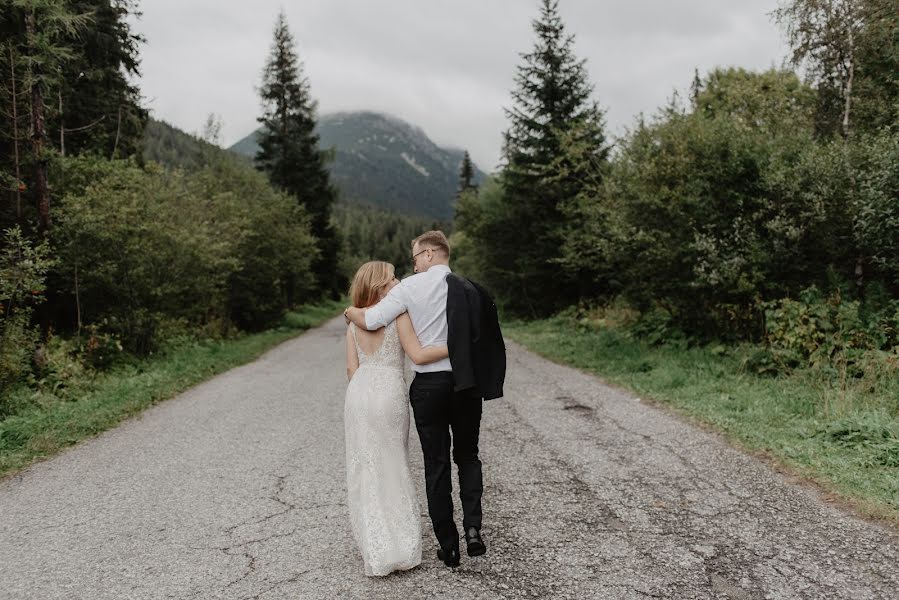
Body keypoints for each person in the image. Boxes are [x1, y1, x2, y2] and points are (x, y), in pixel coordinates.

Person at [344, 231, 503, 569]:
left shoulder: (407, 290)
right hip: (464, 383)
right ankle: (473, 527)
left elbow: (371, 319)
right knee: (468, 455)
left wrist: (349, 311)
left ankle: (449, 547)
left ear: (429, 254)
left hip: (429, 386)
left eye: (415, 257)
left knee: (436, 463)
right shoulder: (472, 289)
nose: (413, 264)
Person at [343, 261, 449, 577]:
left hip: (360, 393)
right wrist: (454, 347)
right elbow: (417, 354)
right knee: (393, 463)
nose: (399, 282)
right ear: (381, 287)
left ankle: (376, 548)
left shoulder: (352, 323)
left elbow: (351, 369)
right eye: (393, 279)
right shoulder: (399, 316)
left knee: (366, 467)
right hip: (389, 391)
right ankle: (402, 547)